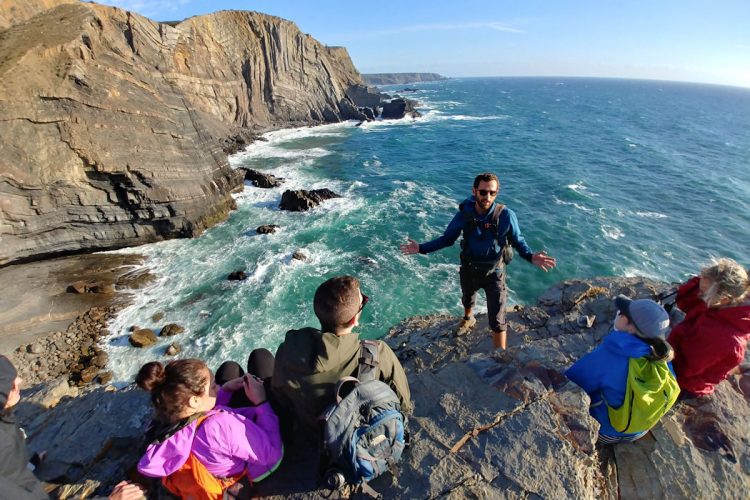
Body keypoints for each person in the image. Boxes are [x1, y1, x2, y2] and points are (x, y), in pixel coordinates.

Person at [400, 172, 556, 349]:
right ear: (474, 191)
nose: (487, 197)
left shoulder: (506, 216)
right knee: (467, 298)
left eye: (492, 193)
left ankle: (500, 357)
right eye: (483, 192)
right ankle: (468, 317)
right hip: (469, 268)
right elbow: (447, 239)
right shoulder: (465, 215)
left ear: (497, 193)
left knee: (498, 320)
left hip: (494, 272)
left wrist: (530, 256)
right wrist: (421, 248)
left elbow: (518, 241)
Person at [271, 275, 412, 443]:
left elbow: (279, 394)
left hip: (308, 433)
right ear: (354, 319)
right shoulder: (376, 352)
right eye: (363, 302)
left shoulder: (288, 350)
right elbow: (403, 401)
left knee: (259, 357)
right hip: (350, 440)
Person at [1, 355, 145, 500]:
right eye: (10, 382)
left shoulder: (5, 422)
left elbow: (9, 469)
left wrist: (30, 466)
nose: (19, 381)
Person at [136, 357, 283, 498]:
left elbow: (200, 418)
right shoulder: (220, 426)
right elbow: (272, 455)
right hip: (255, 470)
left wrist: (224, 390)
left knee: (229, 367)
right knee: (261, 357)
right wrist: (261, 402)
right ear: (194, 401)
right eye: (213, 386)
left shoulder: (168, 420)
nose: (217, 388)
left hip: (214, 461)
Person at [565, 296, 673, 444]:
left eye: (622, 312)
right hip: (640, 430)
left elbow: (572, 383)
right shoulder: (661, 356)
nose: (618, 312)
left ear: (631, 327)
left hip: (608, 433)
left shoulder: (607, 357)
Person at [668, 258, 750, 398]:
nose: (699, 294)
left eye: (703, 292)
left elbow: (685, 368)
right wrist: (705, 279)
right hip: (682, 345)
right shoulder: (724, 304)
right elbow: (684, 302)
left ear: (723, 299)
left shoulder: (723, 337)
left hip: (681, 382)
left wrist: (660, 350)